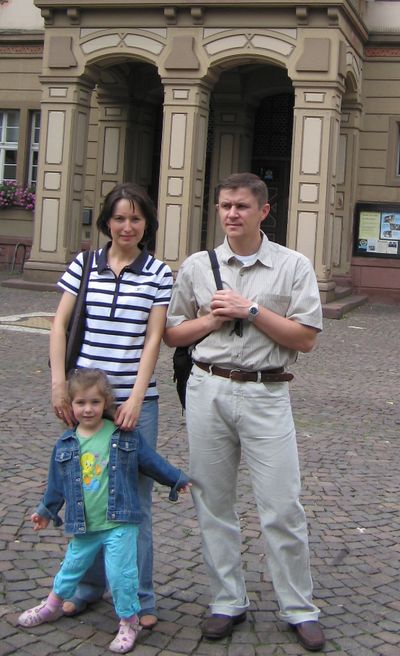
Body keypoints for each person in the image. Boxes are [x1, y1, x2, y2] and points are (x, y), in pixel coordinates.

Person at [164, 172, 325, 652]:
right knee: (212, 502)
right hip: (207, 388)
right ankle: (226, 600)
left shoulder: (293, 266)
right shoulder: (197, 266)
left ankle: (299, 608)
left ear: (263, 211)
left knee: (282, 505)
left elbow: (306, 338)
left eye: (241, 206)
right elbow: (173, 333)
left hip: (266, 392)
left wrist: (250, 309)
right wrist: (212, 319)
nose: (232, 214)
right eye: (225, 206)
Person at [49, 182, 172, 628]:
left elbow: (154, 338)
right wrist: (59, 384)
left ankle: (140, 596)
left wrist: (136, 397)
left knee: (134, 501)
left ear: (147, 224)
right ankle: (87, 587)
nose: (127, 226)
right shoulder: (83, 265)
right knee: (86, 493)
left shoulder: (159, 272)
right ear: (107, 221)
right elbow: (59, 325)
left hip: (135, 402)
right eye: (119, 218)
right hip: (86, 400)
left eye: (136, 218)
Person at [18, 368, 190, 654]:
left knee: (122, 576)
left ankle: (129, 621)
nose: (88, 409)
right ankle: (51, 606)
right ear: (71, 405)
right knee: (69, 570)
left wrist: (176, 479)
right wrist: (46, 510)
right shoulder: (66, 443)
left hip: (119, 523)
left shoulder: (124, 436)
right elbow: (57, 483)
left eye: (95, 402)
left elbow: (151, 462)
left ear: (106, 403)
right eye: (81, 403)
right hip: (84, 525)